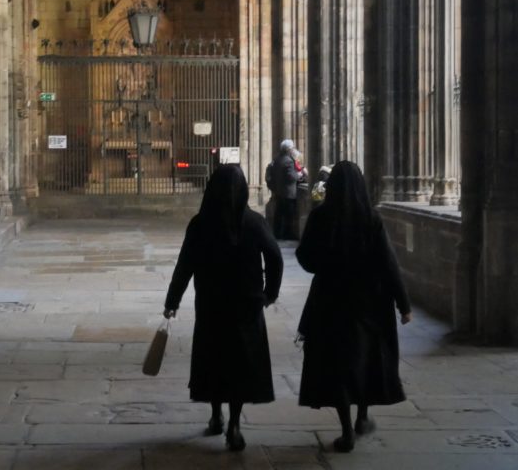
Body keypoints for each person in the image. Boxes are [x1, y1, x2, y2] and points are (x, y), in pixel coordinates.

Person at [163, 164, 283, 452]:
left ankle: (216, 415)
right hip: (247, 305)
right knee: (241, 362)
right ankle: (235, 424)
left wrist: (172, 301)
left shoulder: (200, 224)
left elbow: (184, 266)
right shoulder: (254, 222)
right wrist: (270, 293)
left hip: (211, 304)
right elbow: (276, 258)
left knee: (214, 358)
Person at [295, 161, 412, 453]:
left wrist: (326, 263)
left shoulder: (320, 217)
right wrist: (403, 304)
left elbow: (306, 257)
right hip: (369, 302)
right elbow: (388, 262)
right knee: (365, 359)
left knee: (337, 364)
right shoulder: (370, 218)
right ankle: (362, 415)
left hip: (330, 301)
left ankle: (347, 429)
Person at [271, 139, 300, 239]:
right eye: (292, 148)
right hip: (288, 193)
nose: (293, 150)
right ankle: (288, 234)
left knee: (279, 214)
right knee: (289, 216)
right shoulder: (289, 161)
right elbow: (291, 177)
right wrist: (299, 174)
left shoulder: (277, 159)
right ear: (288, 149)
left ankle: (277, 233)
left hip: (279, 191)